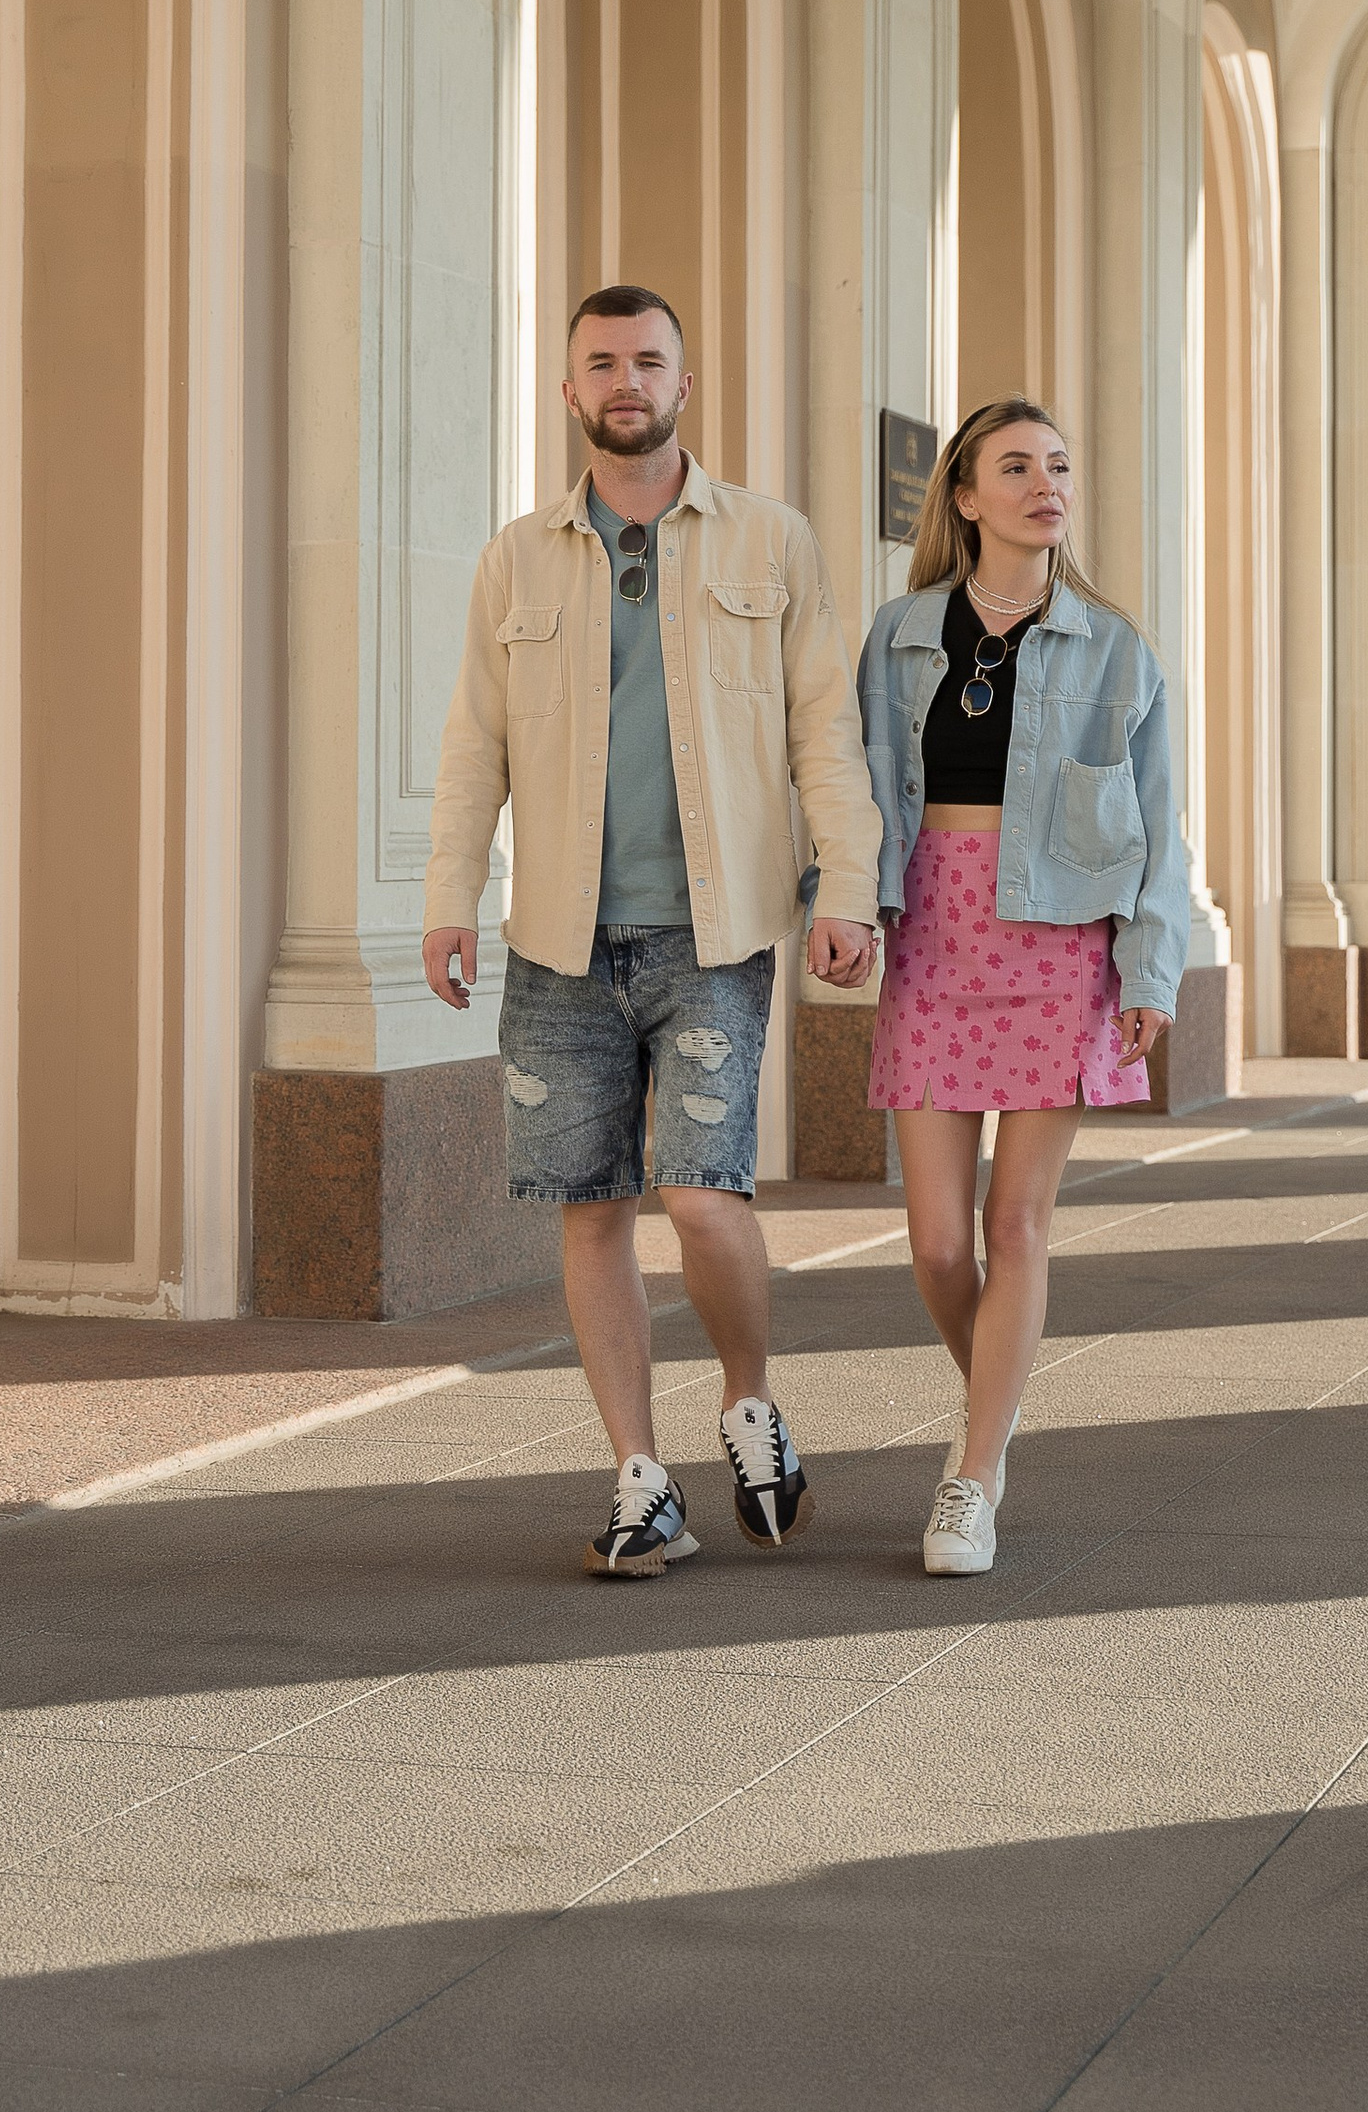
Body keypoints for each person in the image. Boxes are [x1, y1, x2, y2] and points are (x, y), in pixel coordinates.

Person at [424, 287, 883, 1577]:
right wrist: (450, 896)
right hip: (557, 942)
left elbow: (823, 728)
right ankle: (638, 1474)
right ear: (570, 390)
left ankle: (748, 1403)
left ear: (685, 382)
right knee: (589, 1211)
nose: (625, 380)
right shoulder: (516, 557)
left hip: (711, 935)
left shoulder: (769, 541)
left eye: (647, 360)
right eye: (601, 362)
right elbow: (473, 745)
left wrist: (846, 884)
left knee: (700, 1199)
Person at [856, 399, 1187, 1579]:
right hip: (934, 935)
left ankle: (974, 1473)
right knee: (939, 1246)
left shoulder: (1115, 647)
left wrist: (1150, 970)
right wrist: (840, 903)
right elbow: (854, 787)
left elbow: (1158, 829)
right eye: (1016, 467)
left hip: (1060, 942)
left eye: (1057, 465)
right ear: (964, 498)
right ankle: (992, 1404)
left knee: (1016, 1227)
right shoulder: (901, 634)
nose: (1046, 484)